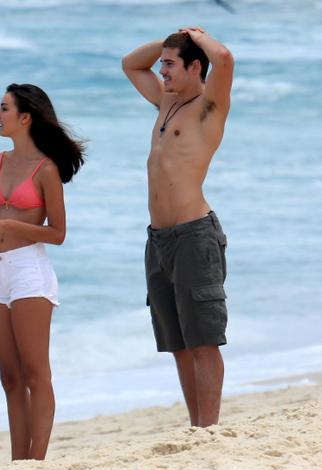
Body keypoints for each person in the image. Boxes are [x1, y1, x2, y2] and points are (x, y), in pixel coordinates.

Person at [0, 84, 85, 460]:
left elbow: (58, 234)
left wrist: (11, 228)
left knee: (36, 374)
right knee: (10, 378)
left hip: (30, 273)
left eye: (3, 109)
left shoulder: (46, 170)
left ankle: (37, 461)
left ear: (25, 117)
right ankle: (18, 462)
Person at [122, 28, 234, 427]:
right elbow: (130, 64)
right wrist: (169, 40)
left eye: (169, 64)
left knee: (203, 341)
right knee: (179, 345)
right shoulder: (165, 102)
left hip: (193, 234)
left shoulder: (209, 108)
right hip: (159, 239)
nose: (162, 71)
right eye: (163, 64)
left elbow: (224, 59)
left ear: (194, 67)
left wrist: (196, 36)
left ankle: (210, 428)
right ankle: (195, 425)